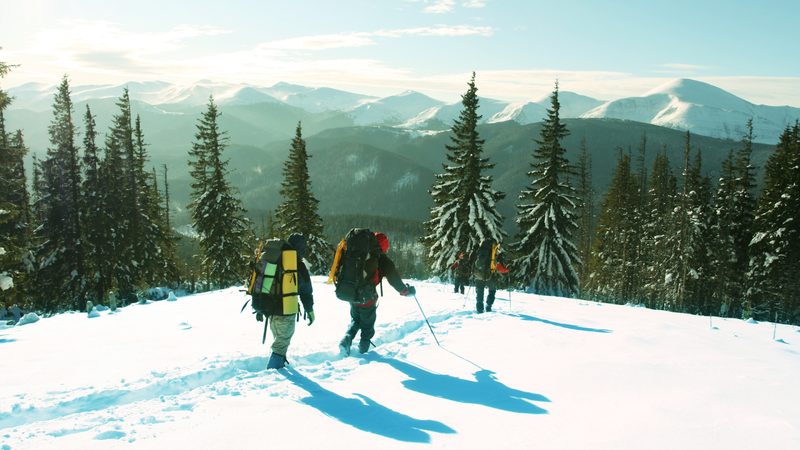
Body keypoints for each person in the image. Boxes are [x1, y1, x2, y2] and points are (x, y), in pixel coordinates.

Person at [338, 232, 416, 355]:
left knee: (356, 319)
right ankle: (363, 353)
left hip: (351, 293)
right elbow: (393, 277)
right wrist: (405, 291)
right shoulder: (379, 258)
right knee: (367, 325)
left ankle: (347, 338)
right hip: (367, 297)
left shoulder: (358, 253)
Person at [266, 233, 315, 369]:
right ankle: (274, 371)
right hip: (286, 310)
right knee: (282, 342)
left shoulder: (274, 259)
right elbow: (306, 292)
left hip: (270, 309)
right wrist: (310, 310)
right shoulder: (297, 266)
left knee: (279, 339)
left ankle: (279, 363)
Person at [467, 237, 509, 314]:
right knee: (492, 290)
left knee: (479, 291)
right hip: (489, 275)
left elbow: (470, 261)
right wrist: (507, 269)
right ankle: (488, 305)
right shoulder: (493, 253)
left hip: (477, 274)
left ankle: (479, 308)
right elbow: (500, 268)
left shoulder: (478, 250)